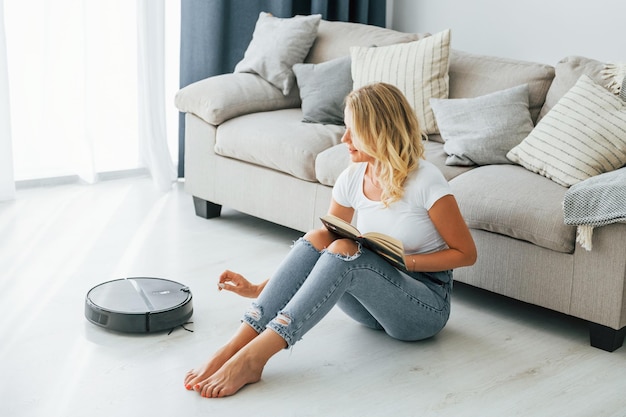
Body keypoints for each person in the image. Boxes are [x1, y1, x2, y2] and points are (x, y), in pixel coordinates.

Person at [184, 82, 477, 398]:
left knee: (345, 250)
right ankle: (233, 347)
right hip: (371, 306)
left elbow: (466, 253)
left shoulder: (426, 180)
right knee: (324, 236)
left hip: (423, 308)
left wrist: (409, 261)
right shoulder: (353, 176)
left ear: (379, 132)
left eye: (354, 131)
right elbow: (320, 253)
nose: (344, 139)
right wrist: (260, 288)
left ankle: (255, 357)